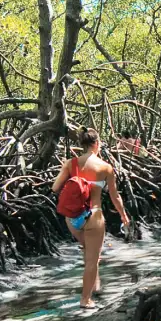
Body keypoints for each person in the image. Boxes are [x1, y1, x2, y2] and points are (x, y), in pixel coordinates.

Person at [52, 126, 130, 309]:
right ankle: (85, 299)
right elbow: (114, 196)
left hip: (72, 219)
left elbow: (55, 188)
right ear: (96, 144)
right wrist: (123, 215)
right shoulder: (105, 167)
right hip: (94, 216)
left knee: (88, 250)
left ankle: (95, 284)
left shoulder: (70, 164)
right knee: (92, 260)